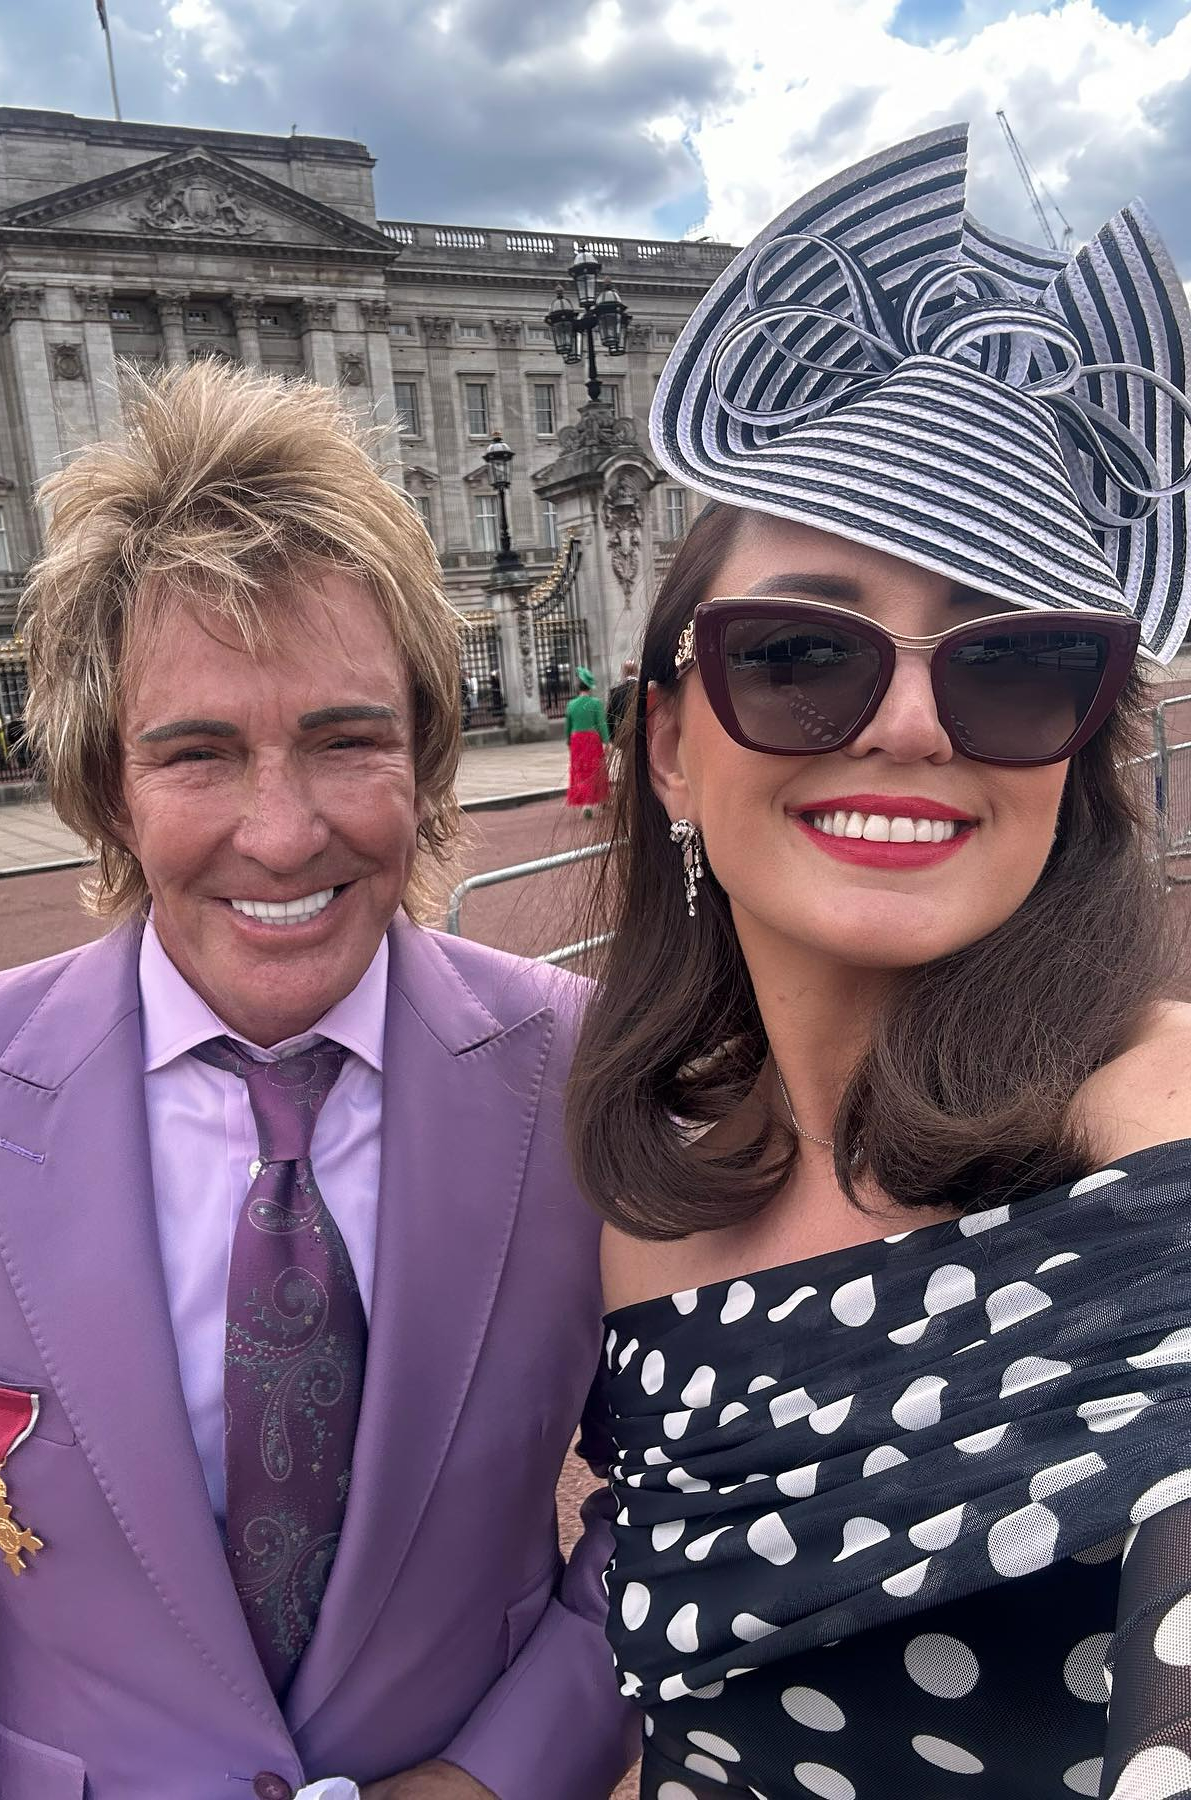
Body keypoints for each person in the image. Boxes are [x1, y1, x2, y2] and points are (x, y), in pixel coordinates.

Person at [0, 361, 637, 1800]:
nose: (281, 830)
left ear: (426, 752)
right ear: (105, 783)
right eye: (196, 754)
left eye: (344, 739)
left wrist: (502, 1773)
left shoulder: (586, 1070)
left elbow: (690, 1487)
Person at [567, 125, 1191, 1798]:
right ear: (672, 750)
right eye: (796, 651)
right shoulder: (653, 1208)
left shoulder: (1160, 1116)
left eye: (1016, 662)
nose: (911, 723)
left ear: (1072, 752)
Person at [565, 667, 610, 818]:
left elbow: (568, 726)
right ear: (590, 687)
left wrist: (568, 742)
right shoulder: (595, 703)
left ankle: (586, 804)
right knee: (596, 769)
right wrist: (606, 741)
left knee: (581, 771)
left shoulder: (571, 705)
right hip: (591, 739)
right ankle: (602, 799)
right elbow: (601, 724)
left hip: (577, 739)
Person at [605, 660, 639, 743]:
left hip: (624, 737)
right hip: (644, 736)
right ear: (637, 671)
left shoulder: (615, 692)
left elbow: (610, 719)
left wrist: (613, 739)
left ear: (623, 672)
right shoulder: (646, 689)